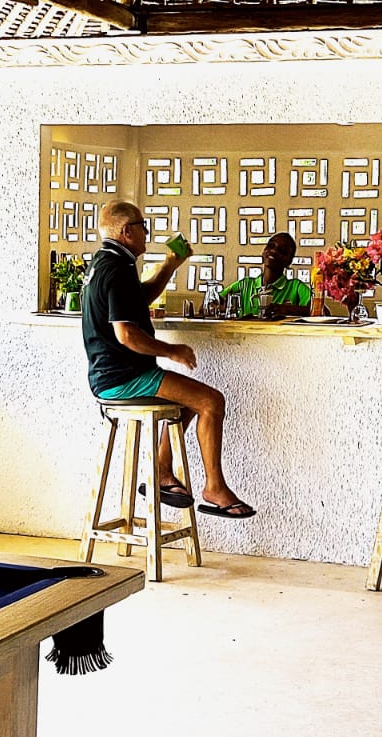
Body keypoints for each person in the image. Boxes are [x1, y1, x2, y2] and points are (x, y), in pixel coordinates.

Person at [81, 200, 256, 519]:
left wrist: (171, 264)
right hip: (124, 377)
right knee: (211, 402)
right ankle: (214, 488)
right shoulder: (117, 269)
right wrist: (171, 351)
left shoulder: (105, 262)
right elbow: (127, 335)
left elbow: (140, 299)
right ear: (126, 231)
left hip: (111, 376)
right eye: (142, 226)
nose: (146, 233)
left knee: (191, 402)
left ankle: (162, 471)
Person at [219, 232, 312, 318]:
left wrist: (286, 309)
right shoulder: (245, 285)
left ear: (289, 262)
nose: (274, 251)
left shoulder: (295, 287)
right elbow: (215, 302)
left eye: (282, 251)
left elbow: (318, 310)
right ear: (264, 251)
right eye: (271, 245)